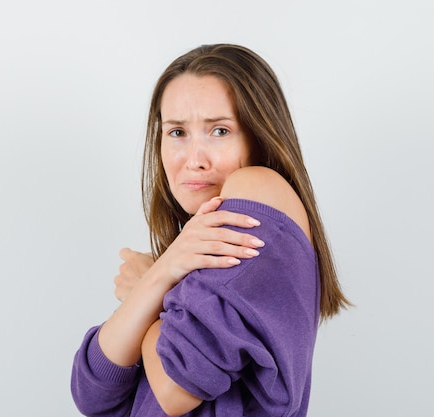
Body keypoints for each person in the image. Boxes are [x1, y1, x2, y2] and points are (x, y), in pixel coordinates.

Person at [71, 43, 350, 417]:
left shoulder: (258, 188)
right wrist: (160, 278)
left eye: (219, 130)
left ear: (260, 137)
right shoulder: (193, 254)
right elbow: (93, 394)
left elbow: (175, 388)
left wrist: (147, 286)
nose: (194, 160)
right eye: (177, 132)